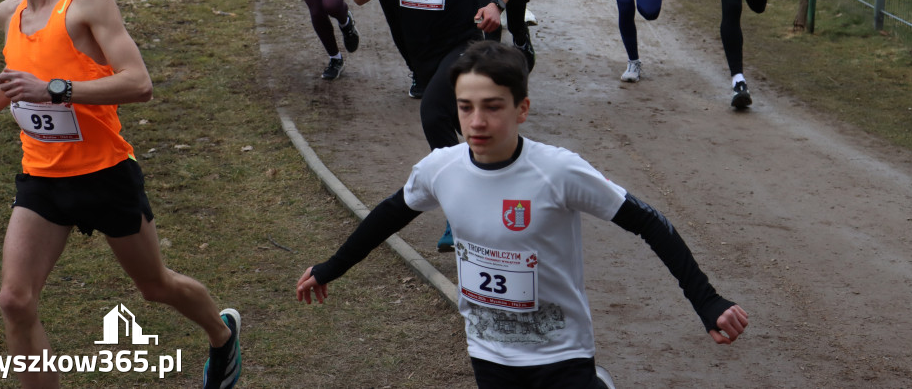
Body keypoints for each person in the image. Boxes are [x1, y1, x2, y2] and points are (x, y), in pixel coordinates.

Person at [295, 40, 750, 387]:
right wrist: (332, 267)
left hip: (563, 351)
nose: (476, 122)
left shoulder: (558, 171)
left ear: (522, 109)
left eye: (492, 108)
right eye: (465, 107)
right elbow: (390, 214)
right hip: (488, 349)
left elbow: (649, 223)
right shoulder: (442, 168)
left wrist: (706, 300)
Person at [0, 0, 242, 389]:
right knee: (14, 300)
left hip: (105, 174)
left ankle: (222, 335)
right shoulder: (9, 11)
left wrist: (57, 90)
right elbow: (13, 78)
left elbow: (139, 84)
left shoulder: (88, 1)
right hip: (43, 177)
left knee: (155, 286)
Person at [348, 0, 516, 250]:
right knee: (463, 127)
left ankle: (459, 213)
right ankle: (500, 180)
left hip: (462, 44)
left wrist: (497, 4)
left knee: (433, 113)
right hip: (418, 54)